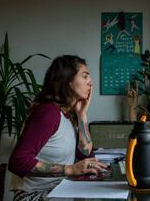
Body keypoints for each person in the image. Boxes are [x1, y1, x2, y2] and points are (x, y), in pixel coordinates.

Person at [8, 55, 107, 201]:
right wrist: (70, 169)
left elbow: (86, 157)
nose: (91, 82)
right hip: (33, 195)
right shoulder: (48, 112)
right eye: (85, 76)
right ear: (67, 80)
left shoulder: (68, 113)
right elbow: (18, 162)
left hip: (60, 189)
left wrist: (82, 115)